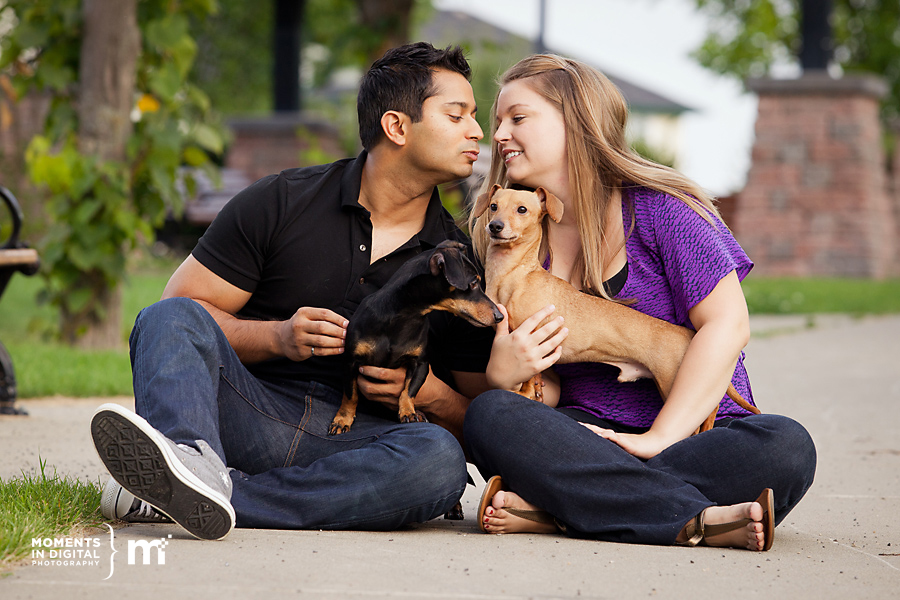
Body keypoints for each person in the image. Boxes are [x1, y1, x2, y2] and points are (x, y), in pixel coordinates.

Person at [92, 42, 494, 540]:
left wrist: (428, 392)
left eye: (474, 117)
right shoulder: (283, 199)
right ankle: (192, 465)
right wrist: (277, 337)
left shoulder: (457, 263)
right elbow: (179, 315)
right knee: (166, 317)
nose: (478, 131)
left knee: (436, 463)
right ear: (397, 127)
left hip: (357, 444)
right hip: (244, 413)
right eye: (458, 116)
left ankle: (197, 491)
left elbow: (479, 420)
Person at [464, 54, 816, 551]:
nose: (498, 134)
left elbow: (728, 326)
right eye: (497, 121)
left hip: (695, 438)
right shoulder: (512, 231)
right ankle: (697, 518)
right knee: (492, 416)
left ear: (577, 122)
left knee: (787, 446)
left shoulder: (663, 210)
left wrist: (658, 439)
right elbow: (555, 390)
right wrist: (505, 375)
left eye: (517, 118)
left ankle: (566, 508)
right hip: (586, 436)